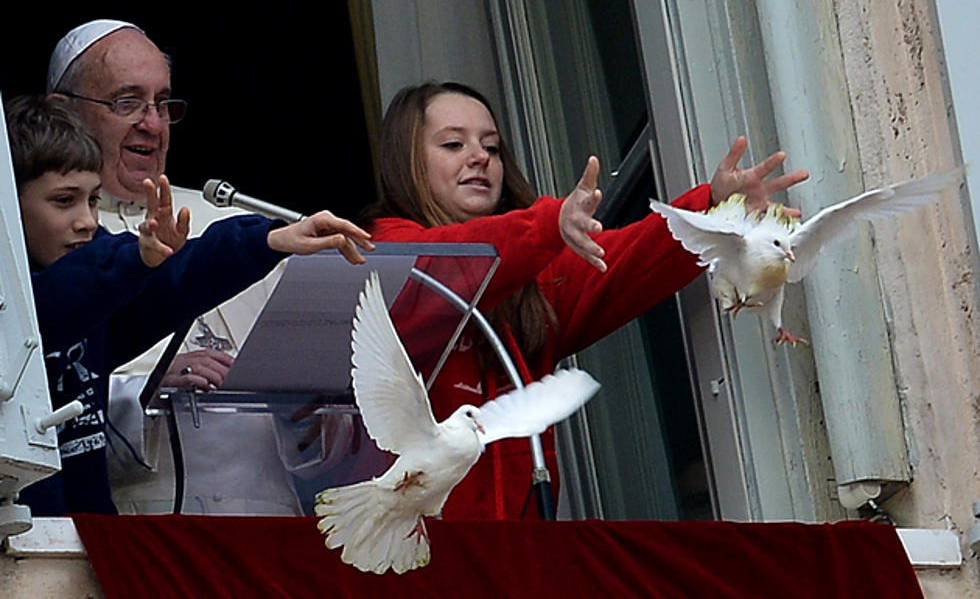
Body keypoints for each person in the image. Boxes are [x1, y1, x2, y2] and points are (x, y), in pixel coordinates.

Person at [360, 81, 809, 520]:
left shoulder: (533, 277)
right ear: (409, 163)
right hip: (408, 551)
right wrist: (548, 224)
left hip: (513, 554)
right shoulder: (385, 254)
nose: (479, 157)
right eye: (454, 144)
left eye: (492, 147)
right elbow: (444, 267)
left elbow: (629, 258)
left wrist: (716, 211)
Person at [6, 95, 372, 515]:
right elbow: (54, 304)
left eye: (92, 200)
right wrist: (136, 260)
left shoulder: (105, 280)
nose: (88, 220)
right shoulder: (21, 304)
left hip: (86, 535)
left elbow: (182, 277)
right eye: (63, 200)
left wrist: (268, 241)